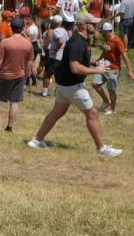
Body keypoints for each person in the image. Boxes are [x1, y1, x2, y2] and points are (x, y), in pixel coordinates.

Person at [27, 13, 123, 157]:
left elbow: (78, 60)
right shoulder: (77, 43)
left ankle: (36, 141)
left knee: (57, 112)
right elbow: (75, 68)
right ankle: (101, 149)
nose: (97, 26)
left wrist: (93, 62)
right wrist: (96, 70)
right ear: (84, 25)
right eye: (93, 24)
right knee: (92, 113)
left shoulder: (82, 40)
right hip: (72, 85)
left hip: (64, 84)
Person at [0, 17, 34, 132]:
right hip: (19, 75)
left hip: (3, 75)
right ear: (23, 28)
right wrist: (26, 76)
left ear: (11, 27)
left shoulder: (5, 42)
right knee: (14, 102)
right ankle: (10, 127)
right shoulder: (28, 44)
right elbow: (29, 64)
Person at [94, 22, 133, 115]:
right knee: (95, 84)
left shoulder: (117, 41)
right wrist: (97, 61)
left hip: (114, 69)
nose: (102, 33)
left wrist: (130, 70)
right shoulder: (105, 39)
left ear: (108, 31)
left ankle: (113, 110)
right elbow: (104, 53)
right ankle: (106, 101)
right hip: (104, 67)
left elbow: (124, 56)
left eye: (103, 31)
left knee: (111, 90)